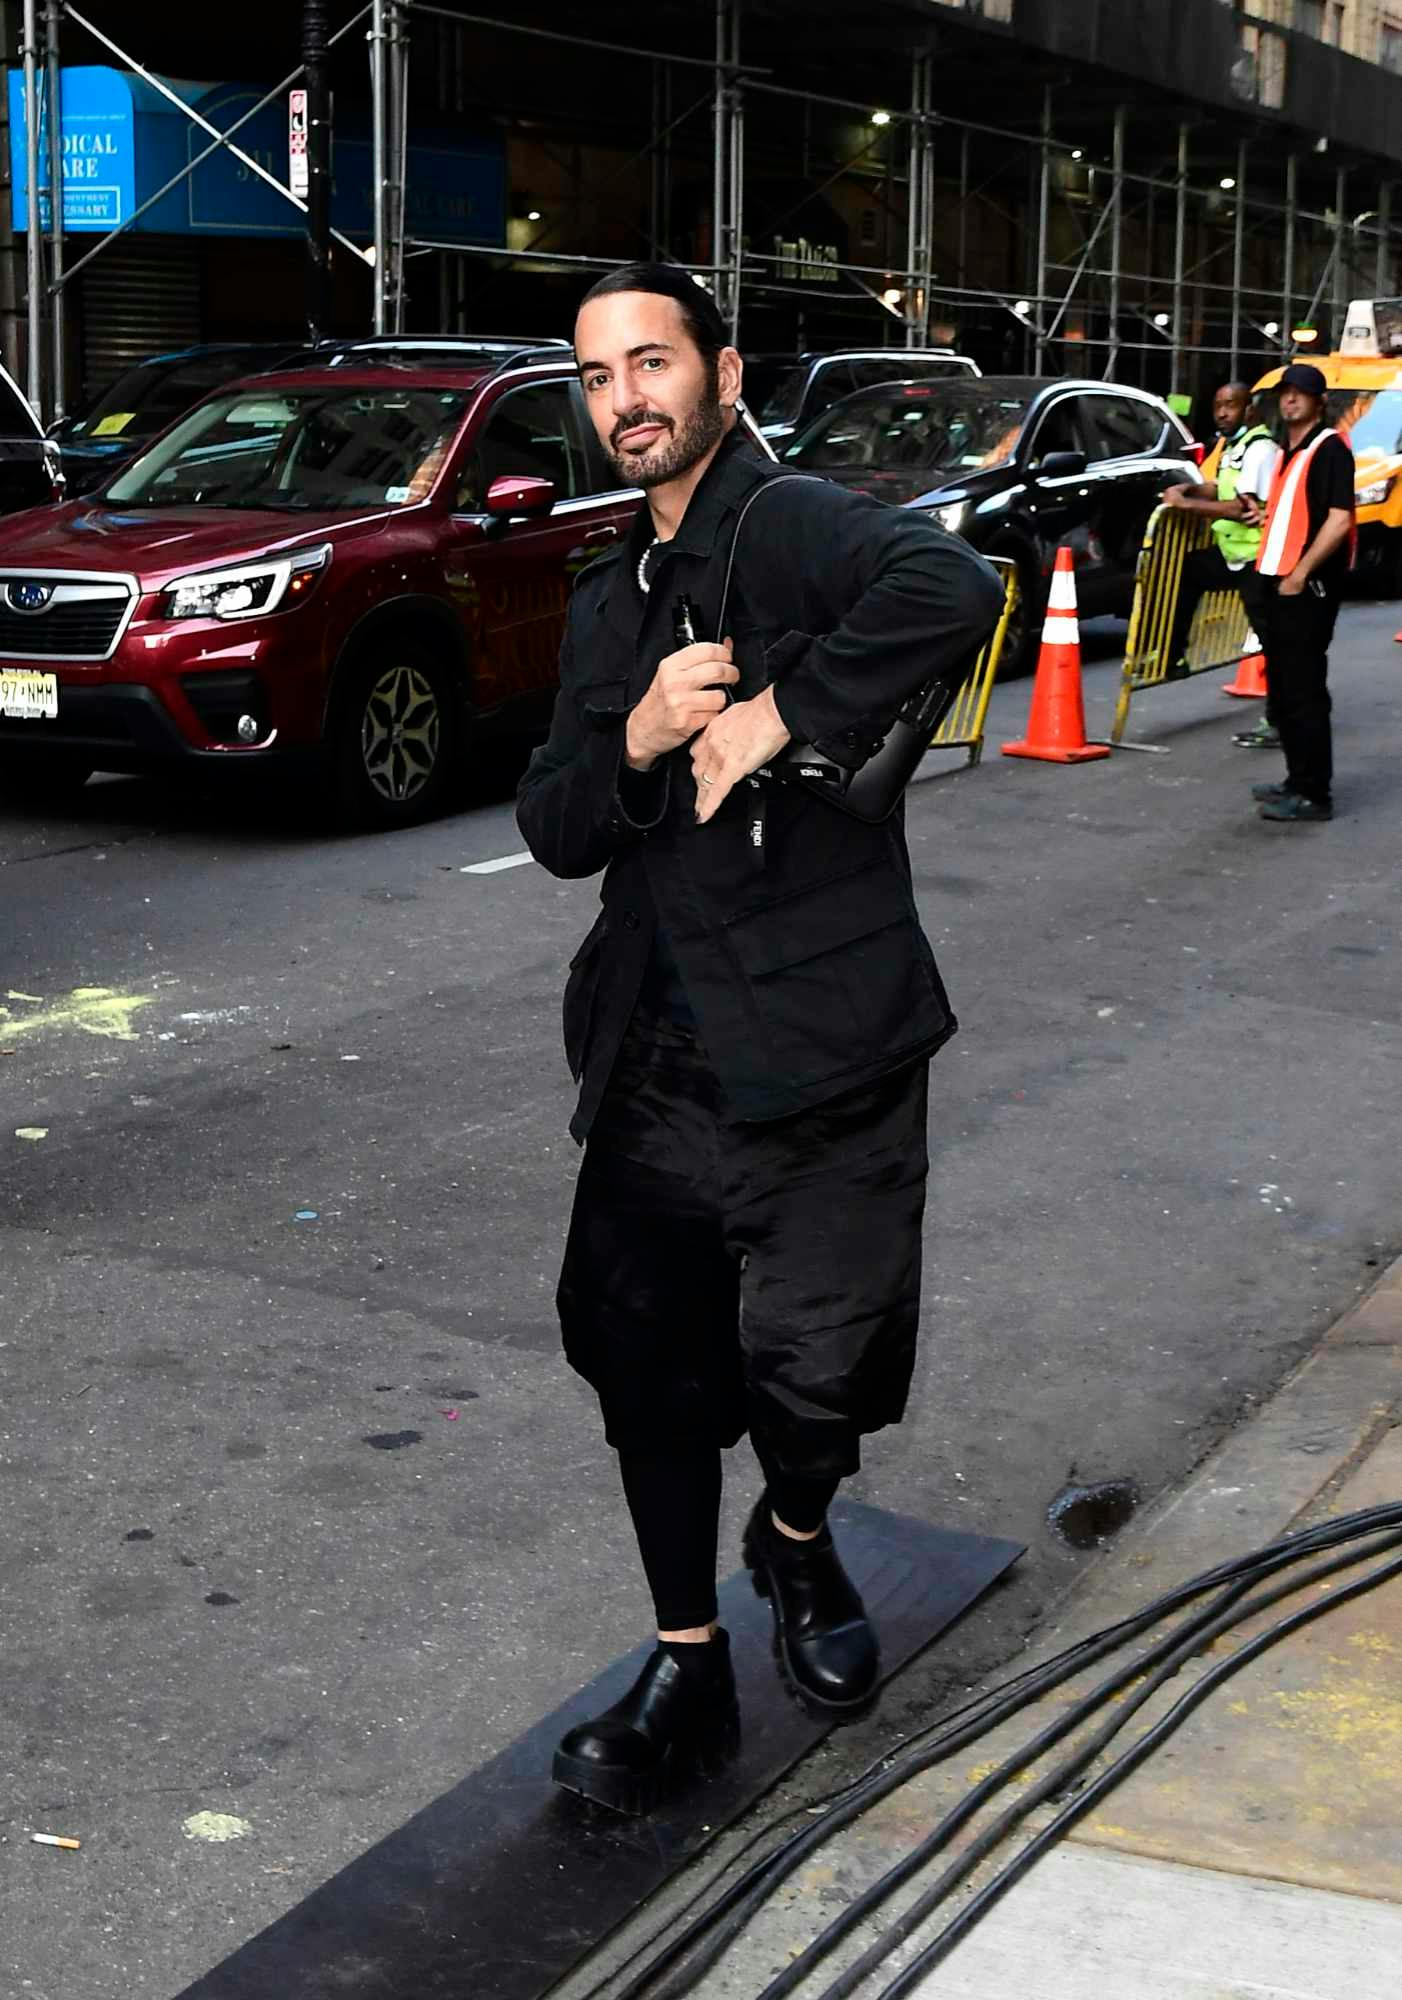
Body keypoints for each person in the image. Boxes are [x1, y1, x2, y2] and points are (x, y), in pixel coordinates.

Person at [516, 263, 1003, 1816]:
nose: (624, 401)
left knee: (815, 1372)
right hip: (660, 1052)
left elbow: (952, 591)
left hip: (829, 1042)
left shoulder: (785, 523)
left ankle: (792, 1542)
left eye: (650, 363)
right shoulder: (604, 596)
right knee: (643, 1363)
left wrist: (774, 715)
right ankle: (684, 1658)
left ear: (720, 374)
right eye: (597, 378)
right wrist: (641, 736)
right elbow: (553, 827)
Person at [1243, 361, 1354, 823]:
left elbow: (1340, 519)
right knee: (1287, 690)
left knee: (1304, 691)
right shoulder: (1291, 450)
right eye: (1285, 392)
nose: (1290, 399)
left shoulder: (1328, 449)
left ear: (1319, 401)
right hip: (1279, 582)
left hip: (1304, 587)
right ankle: (1296, 779)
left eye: (1300, 393)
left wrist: (1299, 573)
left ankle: (1314, 794)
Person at [1159, 384, 1279, 740]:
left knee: (1274, 642)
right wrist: (1187, 489)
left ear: (1249, 411)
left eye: (1231, 405)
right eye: (1218, 406)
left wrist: (1187, 505)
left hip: (1258, 560)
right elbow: (1221, 489)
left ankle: (1279, 720)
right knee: (1189, 570)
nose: (1223, 413)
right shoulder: (1233, 447)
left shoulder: (1261, 448)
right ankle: (1172, 656)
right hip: (1232, 554)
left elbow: (1243, 508)